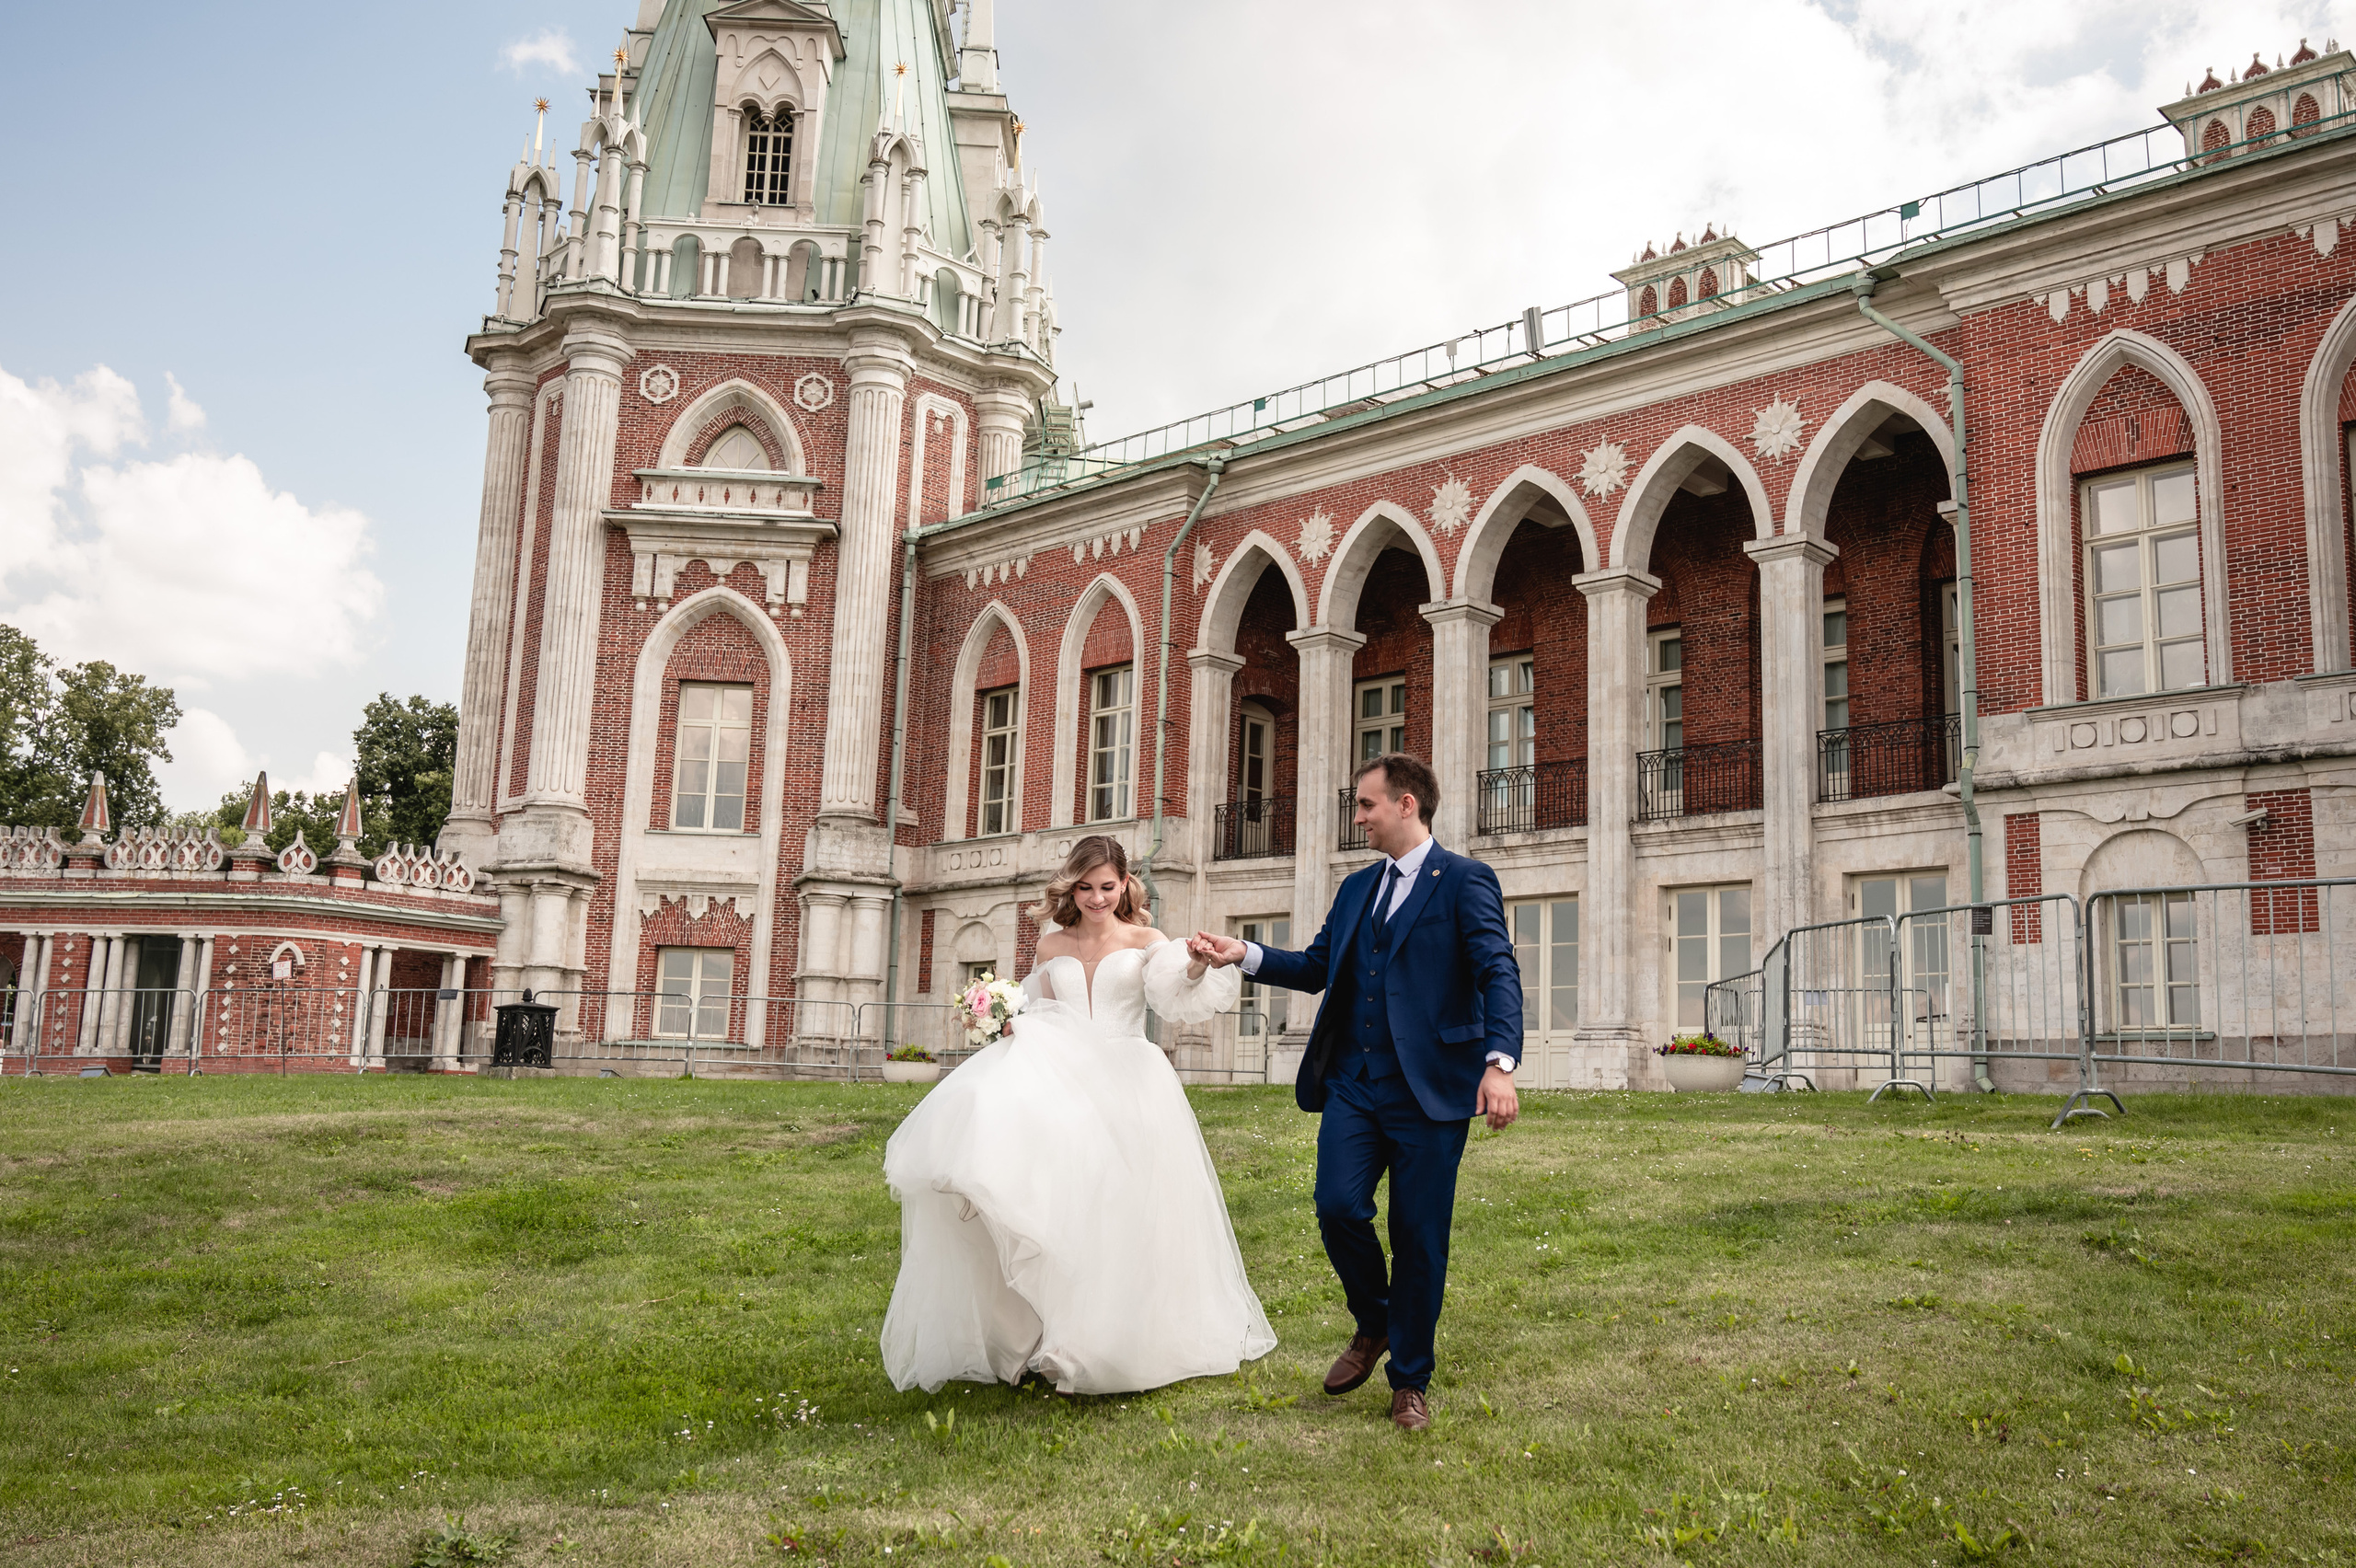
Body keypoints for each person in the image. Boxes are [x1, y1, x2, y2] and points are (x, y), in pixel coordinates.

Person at [1189, 752, 1520, 1431]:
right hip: (1355, 1084)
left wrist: (1500, 1064)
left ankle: (1410, 1382)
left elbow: (1497, 969)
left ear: (1406, 805)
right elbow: (1316, 968)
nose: (1358, 817)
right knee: (1337, 1206)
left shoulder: (1464, 880)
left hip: (1431, 1090)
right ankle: (1375, 1321)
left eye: (1367, 805)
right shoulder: (1354, 891)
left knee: (1418, 1237)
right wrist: (1243, 954)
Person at [880, 835, 1276, 1395]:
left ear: (1125, 885)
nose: (1096, 898)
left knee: (1117, 1205)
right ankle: (1041, 1332)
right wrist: (1004, 1020)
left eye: (1107, 887)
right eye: (1085, 887)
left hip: (1127, 1081)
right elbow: (1036, 1010)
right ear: (1072, 887)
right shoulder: (1051, 945)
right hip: (1060, 1079)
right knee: (1056, 1199)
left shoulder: (1146, 939)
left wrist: (1192, 967)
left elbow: (1174, 993)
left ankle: (1100, 1341)